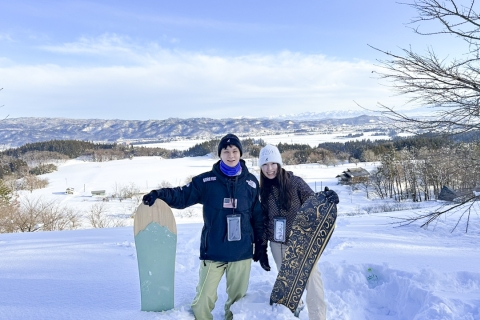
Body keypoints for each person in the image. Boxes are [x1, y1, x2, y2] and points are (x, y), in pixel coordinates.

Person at [142, 133, 266, 320]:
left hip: (241, 253)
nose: (231, 155)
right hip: (213, 252)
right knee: (201, 303)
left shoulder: (250, 183)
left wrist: (261, 246)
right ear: (220, 154)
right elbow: (183, 195)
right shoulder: (207, 181)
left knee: (238, 305)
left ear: (240, 153)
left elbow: (257, 217)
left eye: (234, 151)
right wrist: (159, 194)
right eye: (226, 151)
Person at [255, 144, 338, 320]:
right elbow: (262, 220)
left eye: (273, 164)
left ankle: (318, 317)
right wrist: (262, 248)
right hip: (277, 244)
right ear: (261, 167)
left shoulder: (295, 182)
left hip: (301, 243)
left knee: (312, 281)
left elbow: (313, 203)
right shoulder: (262, 190)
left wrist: (327, 198)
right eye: (265, 165)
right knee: (287, 281)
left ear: (279, 163)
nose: (269, 169)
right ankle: (295, 306)